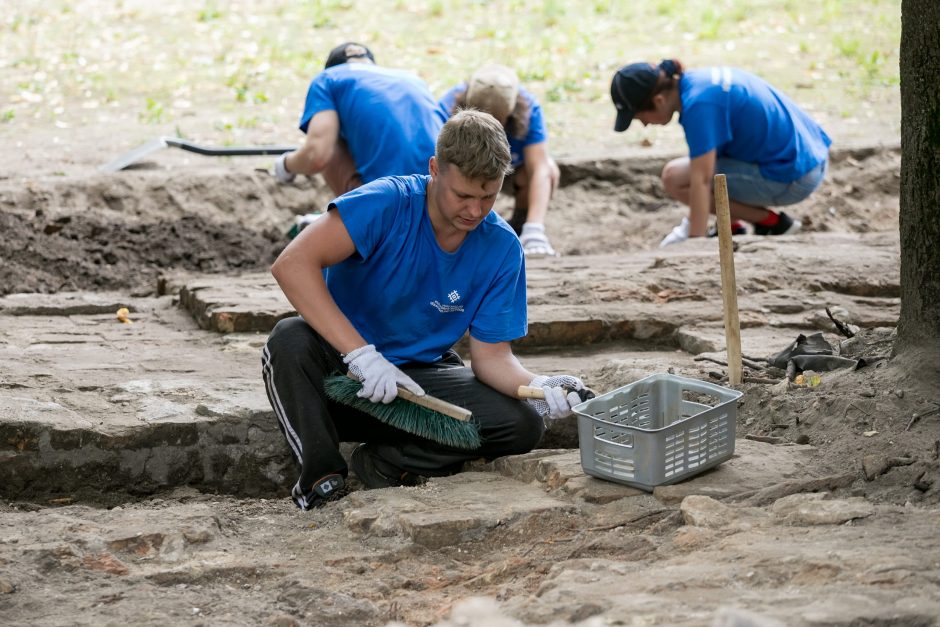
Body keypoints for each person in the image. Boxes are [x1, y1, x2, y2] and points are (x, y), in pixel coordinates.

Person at [261, 110, 588, 511]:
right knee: (289, 339)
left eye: (488, 196)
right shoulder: (385, 203)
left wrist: (539, 387)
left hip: (418, 385)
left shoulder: (501, 248)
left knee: (521, 424)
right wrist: (362, 355)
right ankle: (321, 479)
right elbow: (291, 264)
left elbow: (491, 358)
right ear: (435, 169)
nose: (474, 210)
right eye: (463, 195)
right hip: (340, 377)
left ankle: (385, 462)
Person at [610, 59, 832, 247]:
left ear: (658, 101)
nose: (645, 126)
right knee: (686, 172)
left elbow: (702, 180)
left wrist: (694, 243)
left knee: (676, 180)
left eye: (640, 118)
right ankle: (732, 226)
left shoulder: (700, 106)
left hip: (795, 176)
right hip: (807, 156)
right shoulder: (697, 83)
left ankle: (772, 223)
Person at [274, 42, 444, 196]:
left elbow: (317, 156)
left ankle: (352, 221)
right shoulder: (413, 79)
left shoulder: (328, 78)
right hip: (442, 191)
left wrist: (285, 165)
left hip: (390, 200)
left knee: (330, 139)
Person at [438, 63, 561, 258]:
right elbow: (437, 165)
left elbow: (540, 168)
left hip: (510, 171)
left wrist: (534, 230)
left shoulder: (528, 108)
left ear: (511, 113)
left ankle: (521, 227)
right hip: (463, 172)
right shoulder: (446, 107)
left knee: (549, 169)